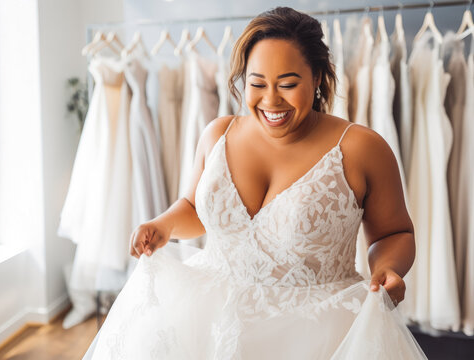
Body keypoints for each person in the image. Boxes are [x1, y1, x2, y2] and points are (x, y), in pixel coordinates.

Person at [83, 7, 427, 359]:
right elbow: (194, 208)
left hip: (315, 331)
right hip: (210, 319)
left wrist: (387, 269)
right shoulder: (217, 133)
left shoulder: (361, 148)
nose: (271, 100)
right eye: (257, 83)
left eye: (288, 84)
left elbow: (394, 233)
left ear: (318, 77)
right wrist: (163, 225)